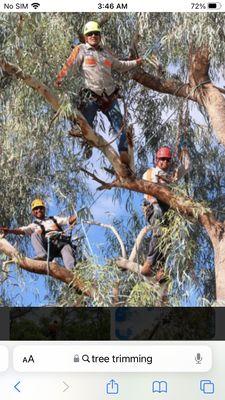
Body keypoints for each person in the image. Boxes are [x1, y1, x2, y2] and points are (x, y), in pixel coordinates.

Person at [55, 20, 142, 166]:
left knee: (120, 125)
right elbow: (69, 65)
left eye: (96, 33)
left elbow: (120, 65)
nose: (93, 36)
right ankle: (87, 145)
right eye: (90, 34)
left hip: (109, 95)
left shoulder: (106, 52)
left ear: (100, 35)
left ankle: (124, 153)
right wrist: (60, 78)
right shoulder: (81, 49)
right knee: (85, 125)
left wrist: (136, 62)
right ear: (85, 36)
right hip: (91, 95)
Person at [141, 146, 190, 279]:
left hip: (167, 210)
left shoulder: (170, 176)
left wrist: (185, 154)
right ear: (157, 160)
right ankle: (149, 263)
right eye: (162, 159)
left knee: (167, 238)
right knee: (159, 232)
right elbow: (149, 191)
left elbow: (184, 169)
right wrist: (156, 205)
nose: (165, 163)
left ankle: (160, 269)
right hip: (152, 207)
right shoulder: (150, 172)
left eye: (168, 160)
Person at [0, 199, 77, 270]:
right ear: (33, 212)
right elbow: (22, 230)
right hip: (49, 246)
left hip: (62, 243)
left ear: (44, 209)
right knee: (35, 234)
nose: (38, 210)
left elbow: (67, 220)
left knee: (68, 252)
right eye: (36, 209)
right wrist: (9, 231)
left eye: (41, 208)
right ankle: (42, 256)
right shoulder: (34, 225)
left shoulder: (53, 219)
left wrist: (77, 216)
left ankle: (73, 275)